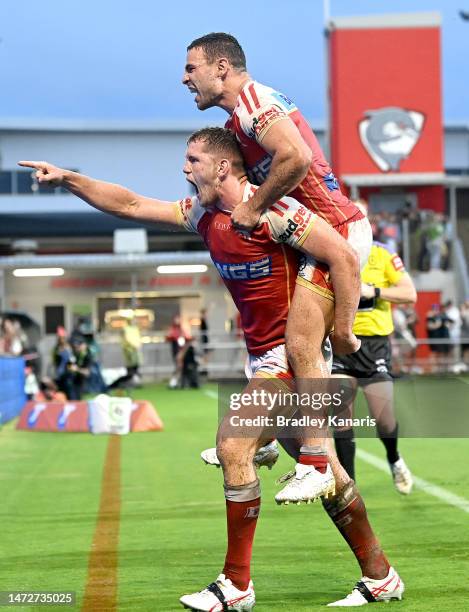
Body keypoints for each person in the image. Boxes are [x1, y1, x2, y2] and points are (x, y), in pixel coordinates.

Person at [19, 128, 402, 609]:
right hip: (261, 359)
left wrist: (343, 330)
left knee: (232, 444)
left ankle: (236, 585)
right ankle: (381, 574)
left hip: (289, 358)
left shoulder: (274, 211)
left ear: (223, 167)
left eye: (192, 159)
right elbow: (132, 205)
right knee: (333, 482)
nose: (184, 168)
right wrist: (70, 179)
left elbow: (344, 258)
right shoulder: (203, 213)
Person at [182, 33, 373, 496]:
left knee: (300, 341)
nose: (185, 78)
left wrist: (253, 207)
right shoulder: (239, 115)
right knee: (289, 352)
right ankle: (266, 441)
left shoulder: (253, 101)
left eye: (192, 68)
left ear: (221, 66)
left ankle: (316, 462)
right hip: (318, 237)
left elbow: (297, 156)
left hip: (336, 232)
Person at [331, 239, 417, 493]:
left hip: (375, 345)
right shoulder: (329, 251)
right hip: (340, 344)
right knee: (341, 418)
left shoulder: (383, 255)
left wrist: (375, 292)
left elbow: (409, 293)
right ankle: (349, 489)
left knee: (384, 420)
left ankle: (394, 458)